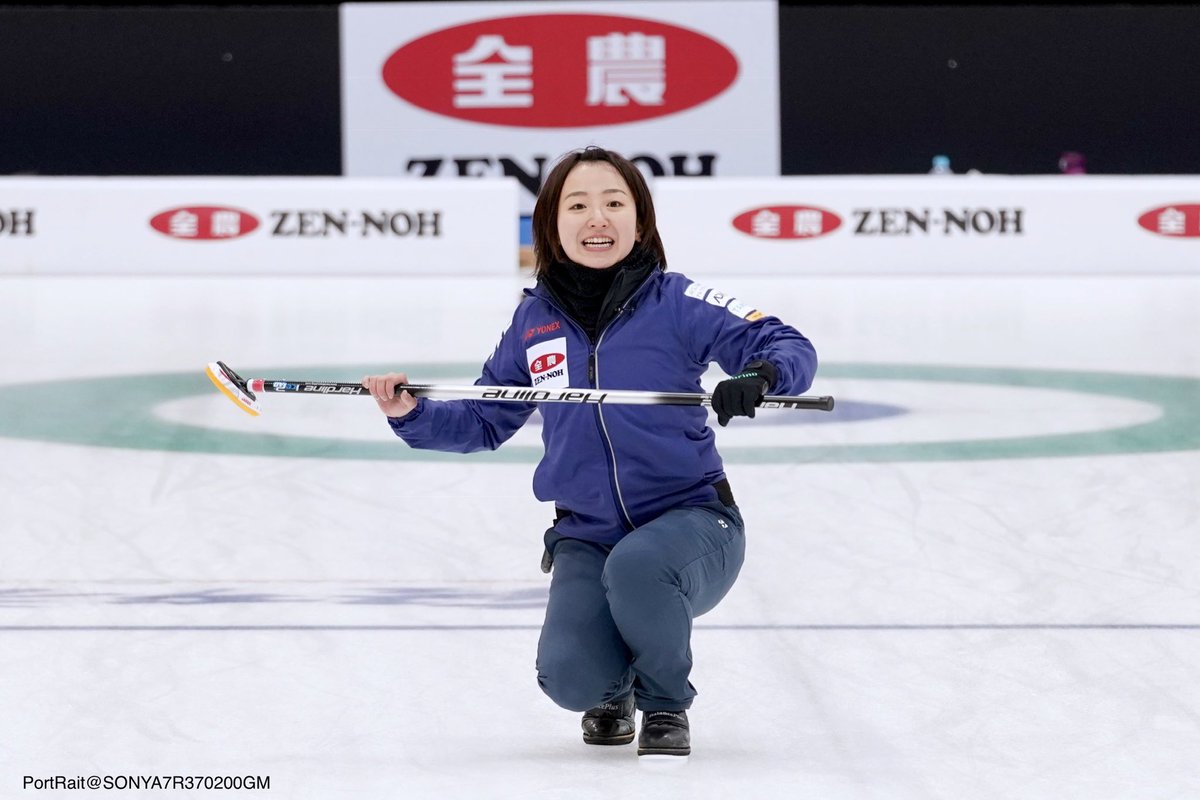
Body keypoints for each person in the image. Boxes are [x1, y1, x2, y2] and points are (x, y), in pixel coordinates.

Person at [362, 146, 817, 758]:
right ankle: (614, 686)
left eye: (613, 203)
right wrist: (409, 414)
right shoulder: (533, 322)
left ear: (640, 219)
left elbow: (784, 340)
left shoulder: (678, 302)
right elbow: (484, 418)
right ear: (550, 223)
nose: (596, 218)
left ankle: (663, 703)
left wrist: (761, 375)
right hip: (587, 533)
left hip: (693, 524)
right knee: (570, 678)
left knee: (639, 567)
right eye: (577, 205)